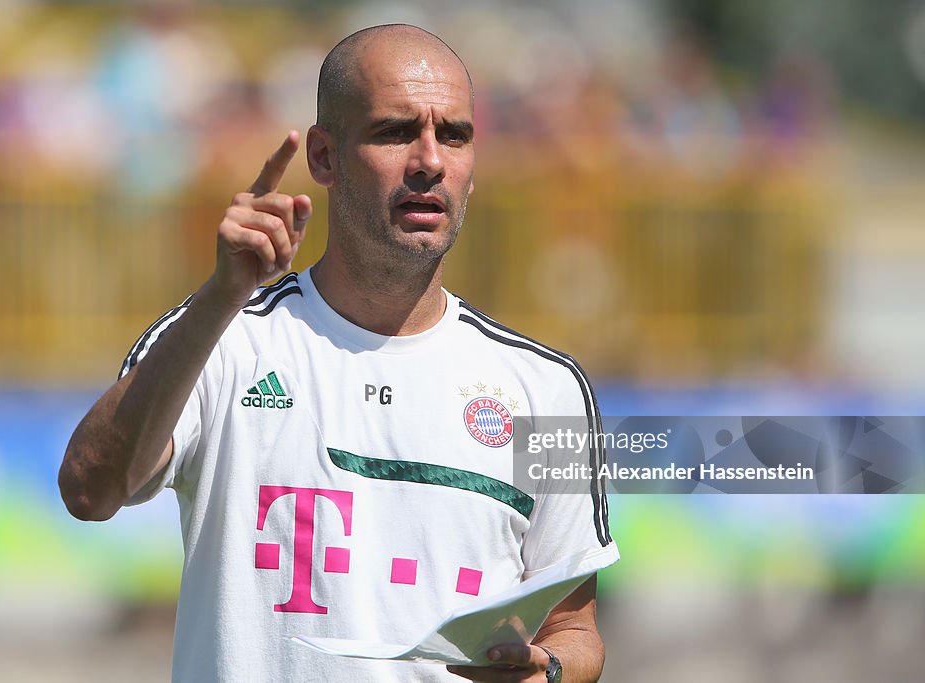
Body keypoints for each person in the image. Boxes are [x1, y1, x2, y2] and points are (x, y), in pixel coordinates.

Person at [59, 24, 619, 682]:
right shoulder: (225, 337)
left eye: (456, 135)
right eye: (395, 131)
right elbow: (89, 490)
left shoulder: (545, 388)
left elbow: (574, 631)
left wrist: (545, 671)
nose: (430, 160)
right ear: (323, 158)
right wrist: (218, 298)